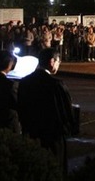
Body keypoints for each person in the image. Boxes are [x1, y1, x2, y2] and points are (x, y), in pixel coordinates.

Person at [18, 48, 76, 176]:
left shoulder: (25, 82)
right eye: (58, 62)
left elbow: (21, 107)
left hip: (31, 133)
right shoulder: (56, 84)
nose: (58, 65)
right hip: (52, 136)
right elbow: (66, 111)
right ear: (52, 61)